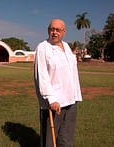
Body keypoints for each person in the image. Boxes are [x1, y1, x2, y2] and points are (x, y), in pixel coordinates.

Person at [34, 19, 82, 147]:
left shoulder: (66, 47)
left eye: (58, 30)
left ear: (64, 32)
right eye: (52, 29)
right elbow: (41, 75)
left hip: (71, 101)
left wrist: (75, 96)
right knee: (49, 142)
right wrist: (51, 99)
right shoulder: (43, 48)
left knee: (66, 140)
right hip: (54, 104)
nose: (54, 32)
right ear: (48, 31)